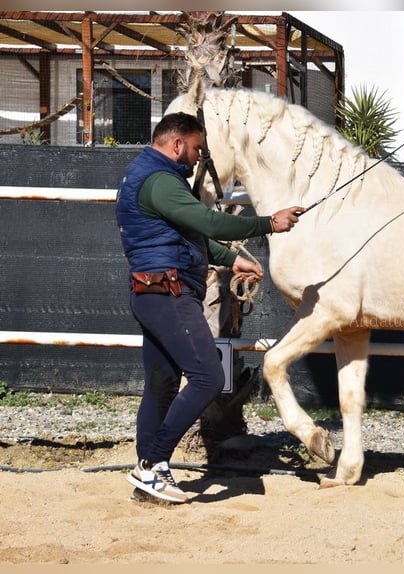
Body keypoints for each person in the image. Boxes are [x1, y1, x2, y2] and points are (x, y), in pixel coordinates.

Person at [115, 111, 303, 504]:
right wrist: (269, 223)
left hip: (153, 293)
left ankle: (149, 479)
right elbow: (208, 223)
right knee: (207, 378)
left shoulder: (149, 176)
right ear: (177, 143)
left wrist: (231, 260)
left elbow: (189, 235)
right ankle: (152, 462)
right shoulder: (160, 181)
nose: (201, 156)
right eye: (198, 148)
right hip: (169, 294)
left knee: (161, 385)